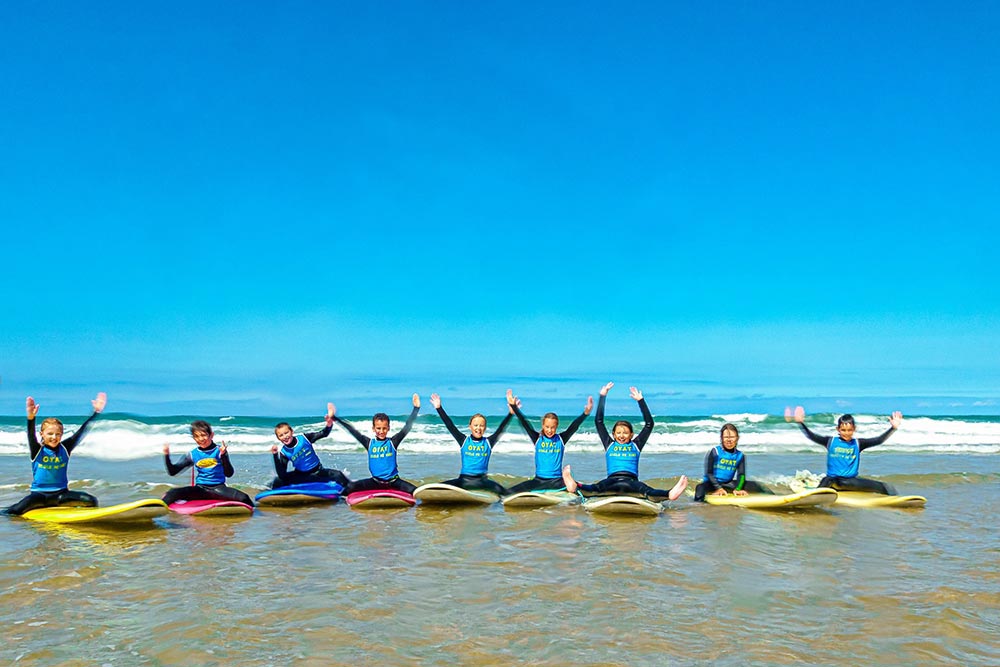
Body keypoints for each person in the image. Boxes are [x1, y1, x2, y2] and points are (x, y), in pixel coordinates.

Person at [562, 382, 687, 501]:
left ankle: (670, 494)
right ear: (614, 434)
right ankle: (575, 486)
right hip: (611, 482)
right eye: (619, 433)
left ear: (631, 434)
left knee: (646, 491)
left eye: (625, 433)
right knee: (595, 488)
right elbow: (599, 422)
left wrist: (641, 401)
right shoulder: (609, 443)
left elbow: (649, 424)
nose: (622, 436)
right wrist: (602, 396)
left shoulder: (636, 445)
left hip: (632, 483)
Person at [3, 393, 106, 516]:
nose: (54, 437)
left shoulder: (65, 448)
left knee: (91, 501)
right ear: (42, 434)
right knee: (14, 512)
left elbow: (82, 431)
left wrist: (96, 412)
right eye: (50, 434)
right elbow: (30, 435)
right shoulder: (37, 450)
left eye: (58, 434)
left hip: (61, 495)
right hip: (39, 496)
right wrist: (31, 418)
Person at [784, 406, 902, 495]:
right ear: (838, 429)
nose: (846, 433)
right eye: (843, 430)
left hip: (851, 482)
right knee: (829, 479)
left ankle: (894, 497)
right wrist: (801, 423)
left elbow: (878, 440)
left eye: (849, 430)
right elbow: (812, 436)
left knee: (883, 487)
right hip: (833, 481)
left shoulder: (858, 443)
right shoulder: (830, 442)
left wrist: (893, 428)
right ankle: (815, 496)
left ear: (854, 429)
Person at [504, 389, 592, 494]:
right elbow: (524, 422)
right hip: (539, 480)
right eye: (547, 427)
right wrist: (514, 407)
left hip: (557, 481)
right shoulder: (537, 438)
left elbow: (574, 427)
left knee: (577, 488)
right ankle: (567, 476)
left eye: (552, 427)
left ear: (556, 427)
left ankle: (568, 476)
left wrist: (585, 414)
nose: (550, 430)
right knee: (509, 492)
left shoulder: (561, 439)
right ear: (543, 426)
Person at [332, 394, 421, 495]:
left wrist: (416, 408)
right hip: (375, 482)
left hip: (394, 482)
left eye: (384, 428)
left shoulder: (392, 442)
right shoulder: (369, 443)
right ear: (373, 429)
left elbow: (407, 427)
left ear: (388, 428)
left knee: (416, 492)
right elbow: (352, 430)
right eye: (378, 428)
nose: (381, 431)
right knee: (349, 487)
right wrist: (334, 418)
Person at [429, 393, 513, 495]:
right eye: (476, 425)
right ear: (470, 427)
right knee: (436, 488)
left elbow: (501, 429)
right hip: (464, 481)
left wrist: (511, 413)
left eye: (482, 425)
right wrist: (439, 408)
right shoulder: (464, 440)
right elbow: (450, 425)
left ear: (485, 428)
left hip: (482, 482)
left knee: (506, 493)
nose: (478, 428)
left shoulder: (488, 442)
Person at [162, 420, 254, 506]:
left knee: (244, 498)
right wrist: (166, 455)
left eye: (203, 435)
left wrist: (223, 456)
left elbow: (229, 474)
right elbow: (173, 472)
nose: (200, 439)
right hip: (200, 490)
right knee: (172, 493)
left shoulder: (219, 450)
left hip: (219, 489)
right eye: (196, 436)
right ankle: (155, 509)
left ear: (211, 435)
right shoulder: (193, 454)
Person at [269, 403, 350, 489]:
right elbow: (282, 475)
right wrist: (275, 455)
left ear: (292, 432)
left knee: (339, 475)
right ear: (278, 438)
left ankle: (349, 491)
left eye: (286, 433)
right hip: (301, 475)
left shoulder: (304, 438)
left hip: (318, 472)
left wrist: (329, 424)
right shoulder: (284, 452)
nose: (285, 436)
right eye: (281, 435)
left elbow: (324, 433)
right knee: (277, 481)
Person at [693, 423, 774, 501]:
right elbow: (709, 473)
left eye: (732, 437)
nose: (729, 440)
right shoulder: (715, 452)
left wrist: (738, 489)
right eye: (726, 437)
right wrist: (718, 488)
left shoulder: (740, 455)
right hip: (711, 484)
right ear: (721, 438)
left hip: (728, 483)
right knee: (700, 488)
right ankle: (700, 505)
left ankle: (774, 498)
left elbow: (741, 475)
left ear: (737, 438)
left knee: (757, 486)